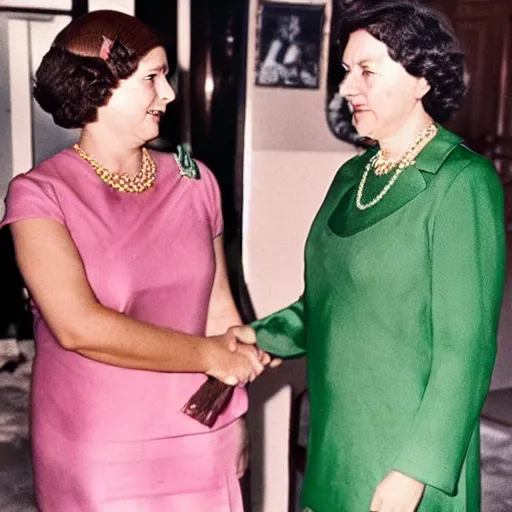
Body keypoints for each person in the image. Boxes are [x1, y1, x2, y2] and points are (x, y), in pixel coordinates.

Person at [0, 10, 269, 511]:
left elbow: (219, 312)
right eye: (152, 78)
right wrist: (212, 354)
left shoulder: (195, 181)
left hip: (200, 433)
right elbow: (78, 326)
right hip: (98, 447)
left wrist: (235, 422)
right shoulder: (39, 195)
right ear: (100, 86)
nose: (168, 94)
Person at [249, 1, 506, 511]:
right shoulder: (353, 176)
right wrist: (258, 335)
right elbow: (326, 301)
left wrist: (414, 471)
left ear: (422, 80)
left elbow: (466, 352)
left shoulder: (462, 182)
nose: (346, 87)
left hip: (412, 456)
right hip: (336, 443)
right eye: (346, 70)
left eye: (367, 70)